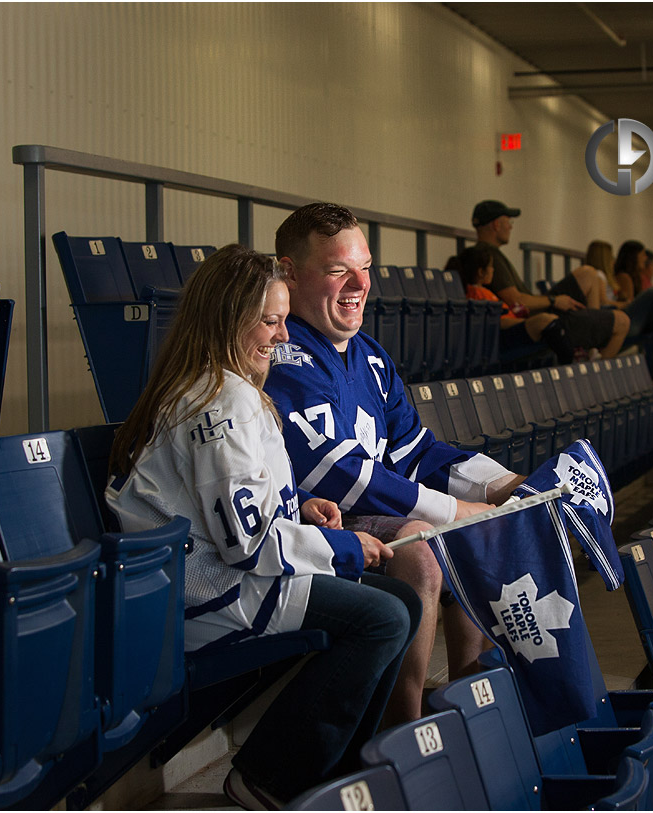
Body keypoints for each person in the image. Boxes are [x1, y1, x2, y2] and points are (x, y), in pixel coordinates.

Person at [106, 245, 421, 808]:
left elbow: (245, 505)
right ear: (229, 321)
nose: (282, 337)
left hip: (229, 572)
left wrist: (299, 505)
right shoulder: (218, 402)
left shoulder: (229, 386)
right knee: (383, 616)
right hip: (204, 592)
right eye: (270, 322)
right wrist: (343, 545)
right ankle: (267, 780)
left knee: (402, 601)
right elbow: (249, 547)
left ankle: (346, 768)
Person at [265, 203, 527, 727]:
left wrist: (501, 484)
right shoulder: (283, 352)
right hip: (308, 526)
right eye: (339, 269)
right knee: (428, 544)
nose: (359, 283)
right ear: (289, 272)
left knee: (479, 524)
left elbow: (418, 451)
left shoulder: (370, 356)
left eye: (365, 266)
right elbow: (334, 473)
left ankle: (465, 702)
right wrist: (454, 509)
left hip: (362, 519)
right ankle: (403, 730)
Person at [471, 199, 629, 359]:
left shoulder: (490, 253)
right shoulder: (489, 255)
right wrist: (553, 301)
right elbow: (516, 301)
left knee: (588, 273)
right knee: (622, 322)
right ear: (496, 224)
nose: (511, 226)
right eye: (508, 221)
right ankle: (592, 362)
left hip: (537, 310)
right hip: (532, 318)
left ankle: (592, 341)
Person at [454, 244, 575, 363]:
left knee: (551, 321)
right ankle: (569, 362)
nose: (493, 270)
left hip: (510, 328)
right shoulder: (476, 294)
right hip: (500, 338)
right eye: (491, 266)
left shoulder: (485, 292)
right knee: (545, 320)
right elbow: (496, 321)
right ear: (481, 272)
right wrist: (525, 322)